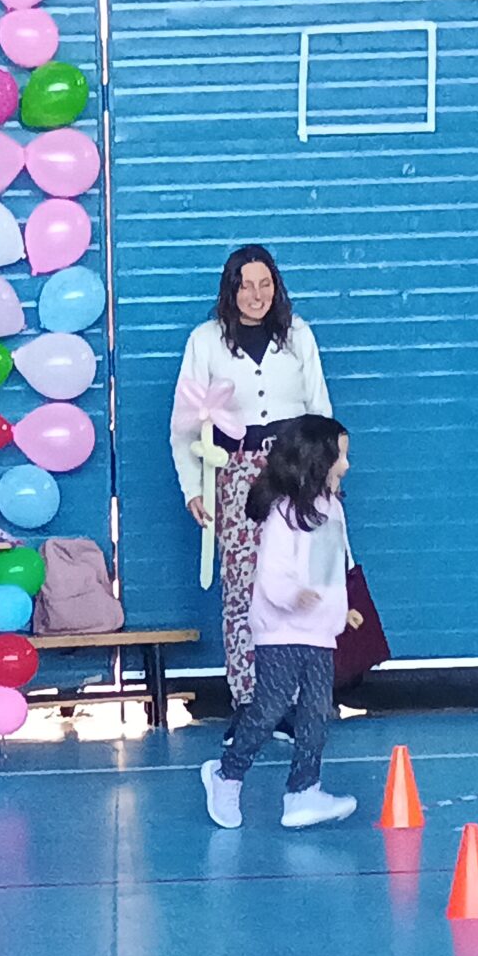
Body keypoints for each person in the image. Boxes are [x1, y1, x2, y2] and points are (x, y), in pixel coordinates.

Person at [168, 245, 333, 708]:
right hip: (237, 475)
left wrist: (326, 475)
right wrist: (193, 487)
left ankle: (298, 699)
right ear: (230, 290)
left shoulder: (298, 335)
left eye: (265, 284)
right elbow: (183, 422)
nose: (256, 295)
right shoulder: (206, 340)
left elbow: (320, 409)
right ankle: (250, 701)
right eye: (245, 286)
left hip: (295, 471)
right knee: (244, 587)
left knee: (299, 583)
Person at [198, 415, 360, 829]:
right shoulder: (283, 515)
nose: (346, 465)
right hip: (280, 632)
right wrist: (294, 596)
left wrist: (339, 610)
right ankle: (227, 775)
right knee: (269, 708)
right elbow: (271, 577)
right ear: (316, 460)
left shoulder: (332, 510)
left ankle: (303, 791)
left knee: (316, 712)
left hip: (319, 634)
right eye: (340, 456)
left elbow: (328, 571)